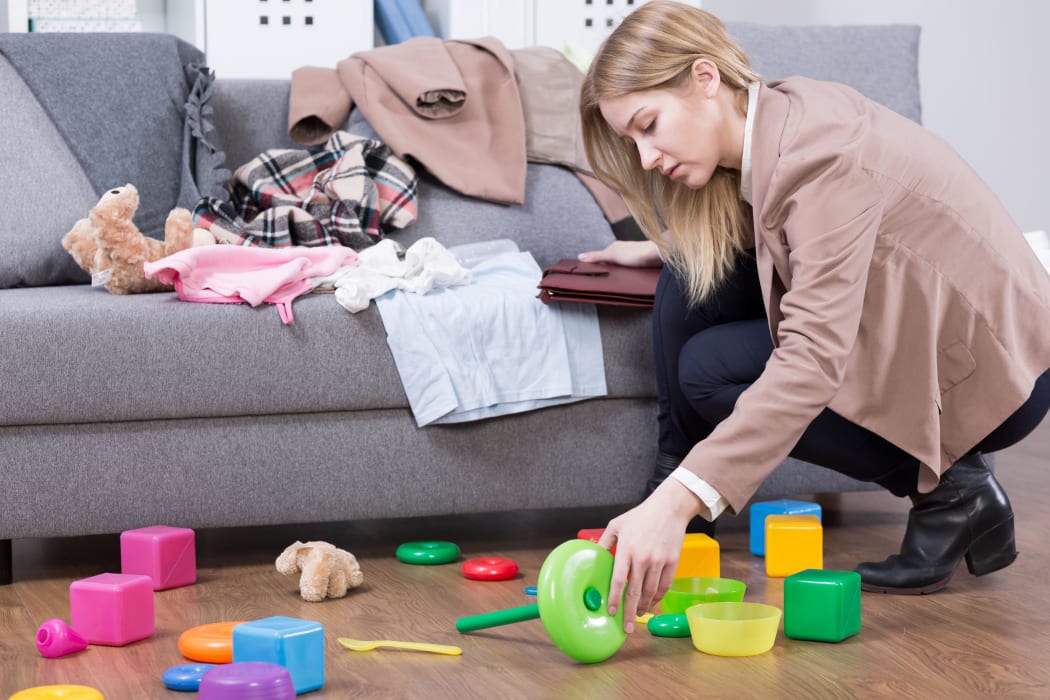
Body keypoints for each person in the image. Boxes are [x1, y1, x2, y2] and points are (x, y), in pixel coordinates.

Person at [577, 0, 1050, 633]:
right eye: (631, 140)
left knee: (708, 373)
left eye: (649, 125)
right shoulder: (775, 114)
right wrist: (659, 247)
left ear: (704, 78)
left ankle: (953, 492)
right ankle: (678, 498)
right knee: (690, 271)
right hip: (904, 322)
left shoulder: (823, 159)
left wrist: (678, 498)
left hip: (990, 372)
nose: (645, 157)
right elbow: (798, 237)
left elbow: (811, 359)